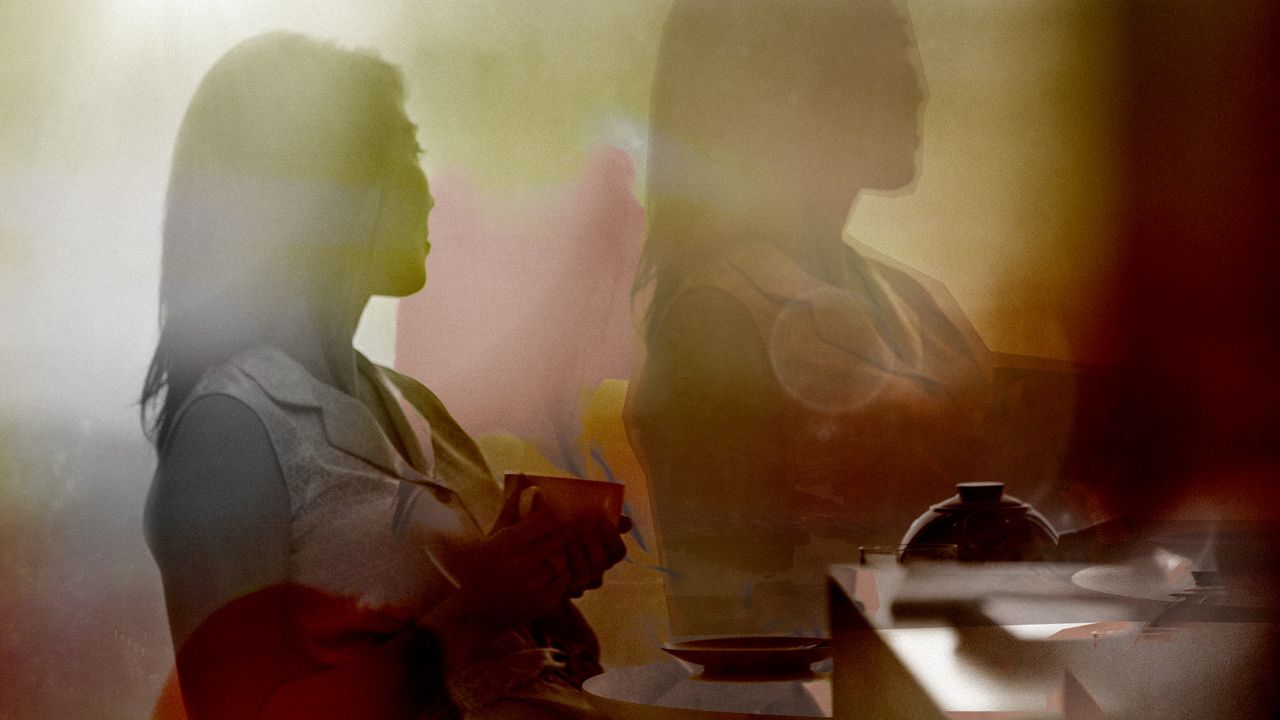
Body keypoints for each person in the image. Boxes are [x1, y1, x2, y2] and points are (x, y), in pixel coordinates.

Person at [141, 33, 625, 720]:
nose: (430, 194)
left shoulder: (412, 404)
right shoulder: (232, 432)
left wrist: (543, 586)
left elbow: (531, 656)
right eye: (409, 154)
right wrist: (479, 608)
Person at [625, 0, 991, 635]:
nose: (919, 85)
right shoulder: (720, 317)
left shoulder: (919, 298)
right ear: (789, 82)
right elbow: (726, 626)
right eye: (890, 50)